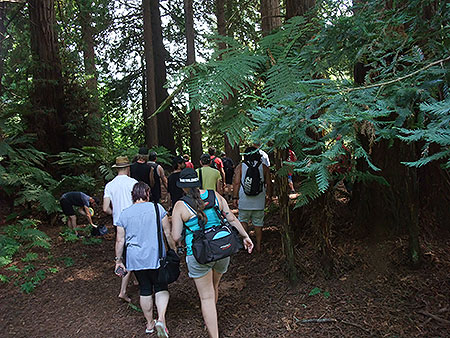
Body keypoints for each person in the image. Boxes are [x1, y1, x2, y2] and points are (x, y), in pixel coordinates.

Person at [171, 168, 253, 338]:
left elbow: (176, 236)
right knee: (214, 286)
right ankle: (212, 318)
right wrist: (245, 236)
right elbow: (231, 218)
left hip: (200, 254)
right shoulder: (214, 195)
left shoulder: (180, 205)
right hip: (222, 250)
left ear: (183, 187)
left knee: (206, 297)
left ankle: (213, 333)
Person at [115, 182, 175, 337]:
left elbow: (120, 240)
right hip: (156, 256)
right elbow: (167, 233)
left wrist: (118, 260)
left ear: (133, 195)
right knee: (161, 287)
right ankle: (161, 319)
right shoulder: (157, 209)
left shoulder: (125, 214)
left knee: (145, 288)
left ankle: (149, 324)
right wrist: (174, 250)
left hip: (135, 259)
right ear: (147, 193)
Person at [103, 156, 138, 303]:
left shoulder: (109, 185)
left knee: (124, 250)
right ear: (128, 168)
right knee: (131, 253)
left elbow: (105, 208)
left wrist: (115, 213)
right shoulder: (133, 183)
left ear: (116, 169)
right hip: (133, 221)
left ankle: (135, 280)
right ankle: (122, 291)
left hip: (119, 223)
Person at [233, 146, 272, 252]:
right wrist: (269, 196)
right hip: (259, 200)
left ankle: (247, 243)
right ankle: (258, 245)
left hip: (244, 199)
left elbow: (236, 183)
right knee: (258, 223)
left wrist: (235, 197)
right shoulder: (264, 167)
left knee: (243, 221)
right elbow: (268, 183)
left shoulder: (240, 167)